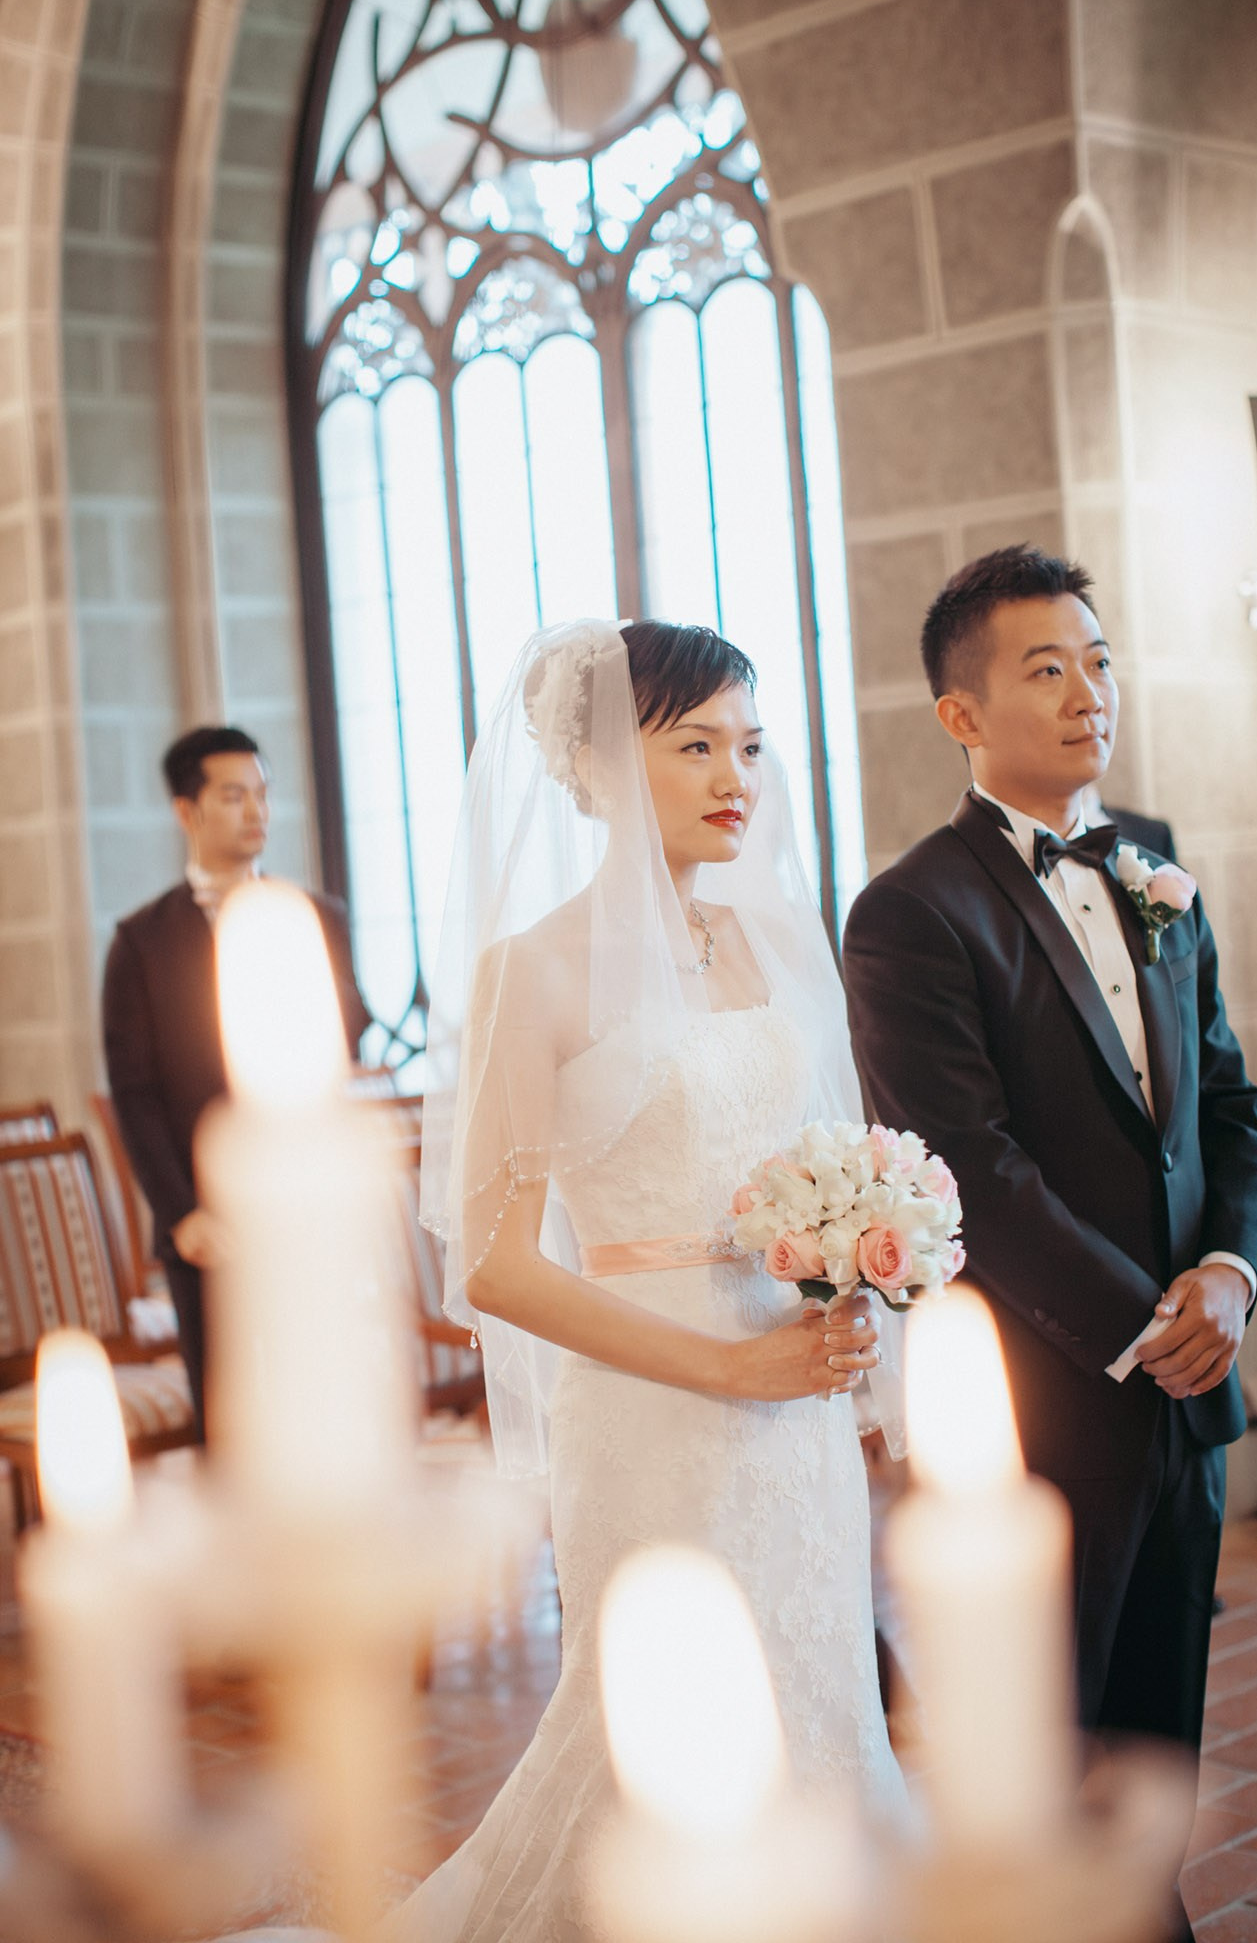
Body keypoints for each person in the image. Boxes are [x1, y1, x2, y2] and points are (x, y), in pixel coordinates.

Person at [369, 619, 906, 1941]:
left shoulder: (770, 946)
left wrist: (859, 1347)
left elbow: (828, 1161)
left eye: (752, 747)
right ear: (600, 767)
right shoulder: (531, 972)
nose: (738, 777)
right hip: (649, 1406)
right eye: (697, 746)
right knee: (666, 1730)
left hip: (797, 1402)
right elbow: (489, 1266)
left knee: (824, 1693)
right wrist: (728, 1365)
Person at [842, 546, 1257, 1943]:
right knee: (1047, 1746)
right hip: (1049, 1394)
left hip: (1190, 1384)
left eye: (1098, 658)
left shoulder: (1151, 863)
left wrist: (1228, 1277)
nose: (1091, 689)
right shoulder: (912, 912)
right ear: (960, 715)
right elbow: (972, 1165)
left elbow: (1223, 1106)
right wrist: (1151, 1320)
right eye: (1047, 666)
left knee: (1159, 1738)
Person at [102, 724, 371, 1438]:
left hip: (309, 1204)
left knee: (325, 1410)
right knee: (231, 1418)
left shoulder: (315, 917)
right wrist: (182, 1212)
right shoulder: (141, 941)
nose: (256, 811)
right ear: (185, 811)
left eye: (262, 794)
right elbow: (134, 1092)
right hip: (206, 1220)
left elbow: (351, 1032)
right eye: (232, 796)